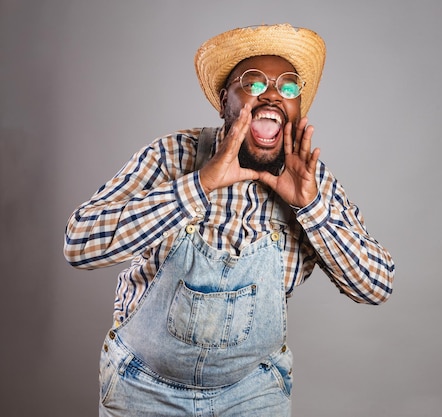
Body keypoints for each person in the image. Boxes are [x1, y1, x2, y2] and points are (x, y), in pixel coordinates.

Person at [64, 23, 395, 416]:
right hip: (142, 388)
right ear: (225, 102)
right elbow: (79, 243)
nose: (272, 94)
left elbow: (376, 285)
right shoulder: (173, 156)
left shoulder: (310, 179)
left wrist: (310, 208)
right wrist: (199, 185)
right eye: (253, 83)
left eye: (288, 88)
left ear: (297, 109)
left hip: (251, 395)